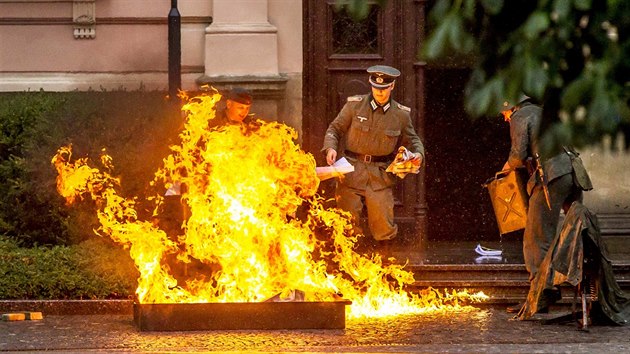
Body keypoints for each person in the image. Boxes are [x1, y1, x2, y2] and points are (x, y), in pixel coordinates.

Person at [500, 96, 593, 313]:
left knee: (536, 237)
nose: (505, 119)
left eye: (503, 114)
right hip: (573, 173)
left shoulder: (521, 115)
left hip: (552, 176)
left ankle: (541, 293)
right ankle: (573, 283)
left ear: (509, 107)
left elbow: (518, 154)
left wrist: (503, 170)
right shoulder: (543, 111)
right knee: (575, 230)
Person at [321, 65, 425, 251]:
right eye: (376, 88)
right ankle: (347, 267)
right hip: (351, 172)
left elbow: (414, 140)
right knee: (346, 224)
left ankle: (385, 267)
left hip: (380, 175)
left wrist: (417, 154)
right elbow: (335, 129)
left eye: (384, 89)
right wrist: (330, 148)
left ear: (392, 87)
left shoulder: (400, 114)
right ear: (371, 86)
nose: (380, 92)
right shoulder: (354, 106)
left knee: (384, 227)